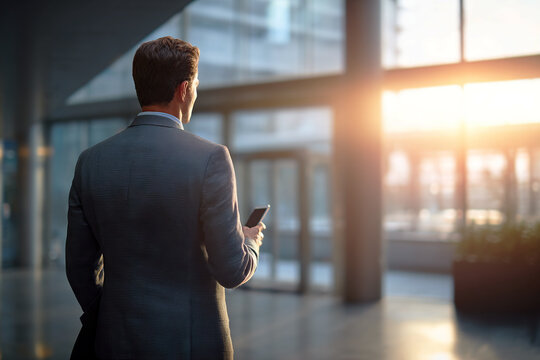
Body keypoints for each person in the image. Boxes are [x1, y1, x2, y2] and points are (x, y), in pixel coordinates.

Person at [65, 36, 265, 360]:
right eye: (197, 85)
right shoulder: (211, 158)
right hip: (190, 345)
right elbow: (232, 269)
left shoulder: (90, 161)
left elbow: (78, 268)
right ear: (184, 89)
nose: (196, 93)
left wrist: (113, 316)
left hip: (112, 343)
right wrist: (250, 242)